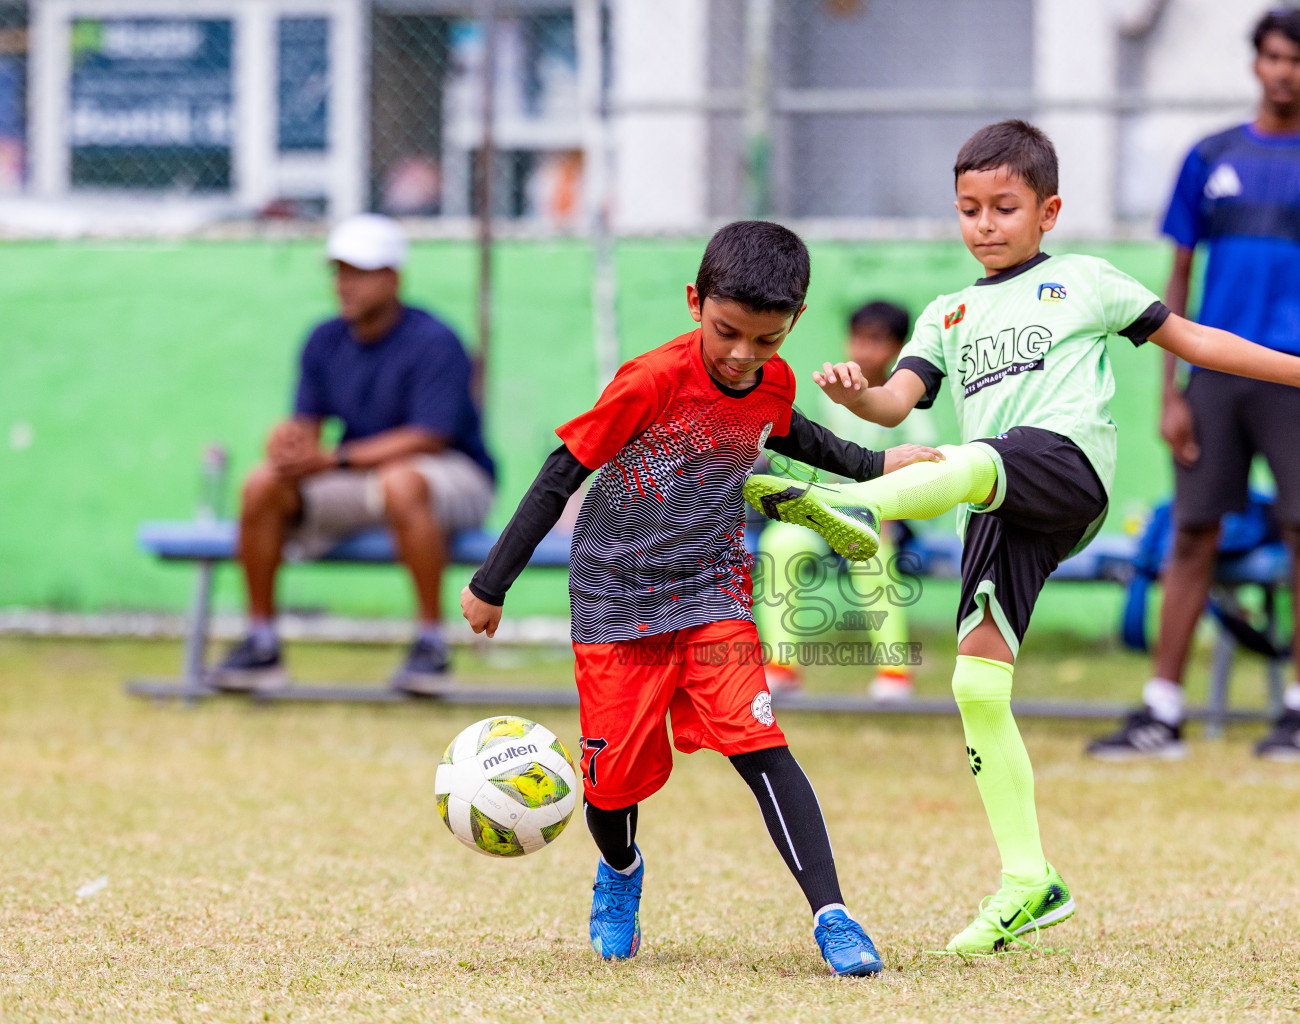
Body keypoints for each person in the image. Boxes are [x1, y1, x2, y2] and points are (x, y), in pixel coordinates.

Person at [743, 119, 1300, 954]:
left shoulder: (1085, 281)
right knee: (975, 687)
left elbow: (1200, 341)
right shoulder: (947, 313)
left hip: (1065, 471)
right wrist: (857, 397)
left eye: (1005, 207)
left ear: (1049, 211)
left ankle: (858, 508)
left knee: (972, 457)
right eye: (969, 208)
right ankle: (1029, 880)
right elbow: (899, 404)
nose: (986, 224)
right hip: (995, 507)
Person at [459, 221, 942, 976]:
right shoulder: (650, 381)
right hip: (614, 598)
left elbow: (795, 432)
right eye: (727, 332)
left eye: (767, 340)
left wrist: (879, 460)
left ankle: (833, 915)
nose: (744, 354)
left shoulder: (772, 381)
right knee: (612, 782)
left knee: (760, 746)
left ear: (793, 324)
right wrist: (493, 584)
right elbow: (562, 471)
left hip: (711, 588)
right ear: (695, 302)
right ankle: (620, 874)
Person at [1087, 9, 1300, 762]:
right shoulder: (1209, 158)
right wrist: (1171, 391)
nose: (1283, 71)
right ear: (1256, 63)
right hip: (1214, 379)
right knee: (1191, 534)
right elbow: (1177, 280)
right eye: (1272, 57)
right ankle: (1162, 712)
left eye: (1297, 60)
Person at [211, 214, 497, 695]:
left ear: (393, 278)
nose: (345, 284)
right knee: (261, 485)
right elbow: (307, 428)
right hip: (362, 476)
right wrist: (287, 447)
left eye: (360, 272)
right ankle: (261, 643)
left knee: (402, 481)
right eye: (339, 271)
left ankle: (431, 643)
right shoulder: (323, 339)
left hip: (455, 474)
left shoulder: (436, 341)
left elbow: (430, 437)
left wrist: (333, 459)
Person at [756, 300, 935, 702]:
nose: (864, 349)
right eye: (857, 338)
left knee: (873, 551)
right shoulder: (825, 393)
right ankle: (781, 665)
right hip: (824, 508)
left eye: (876, 341)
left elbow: (923, 464)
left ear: (898, 349)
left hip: (883, 515)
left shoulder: (906, 402)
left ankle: (894, 671)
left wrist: (890, 508)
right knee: (778, 544)